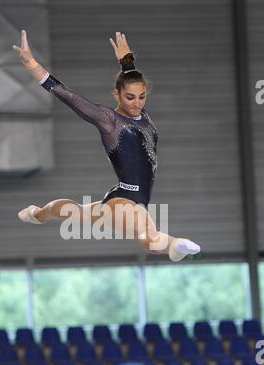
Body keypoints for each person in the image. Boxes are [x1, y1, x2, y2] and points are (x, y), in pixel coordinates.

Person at [13, 30, 201, 261]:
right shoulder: (108, 119)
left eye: (142, 97)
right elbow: (66, 95)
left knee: (76, 212)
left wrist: (127, 61)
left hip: (131, 199)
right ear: (117, 95)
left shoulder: (143, 116)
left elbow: (131, 81)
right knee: (148, 234)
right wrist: (31, 63)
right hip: (124, 199)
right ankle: (176, 245)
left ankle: (38, 214)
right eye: (130, 98)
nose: (137, 103)